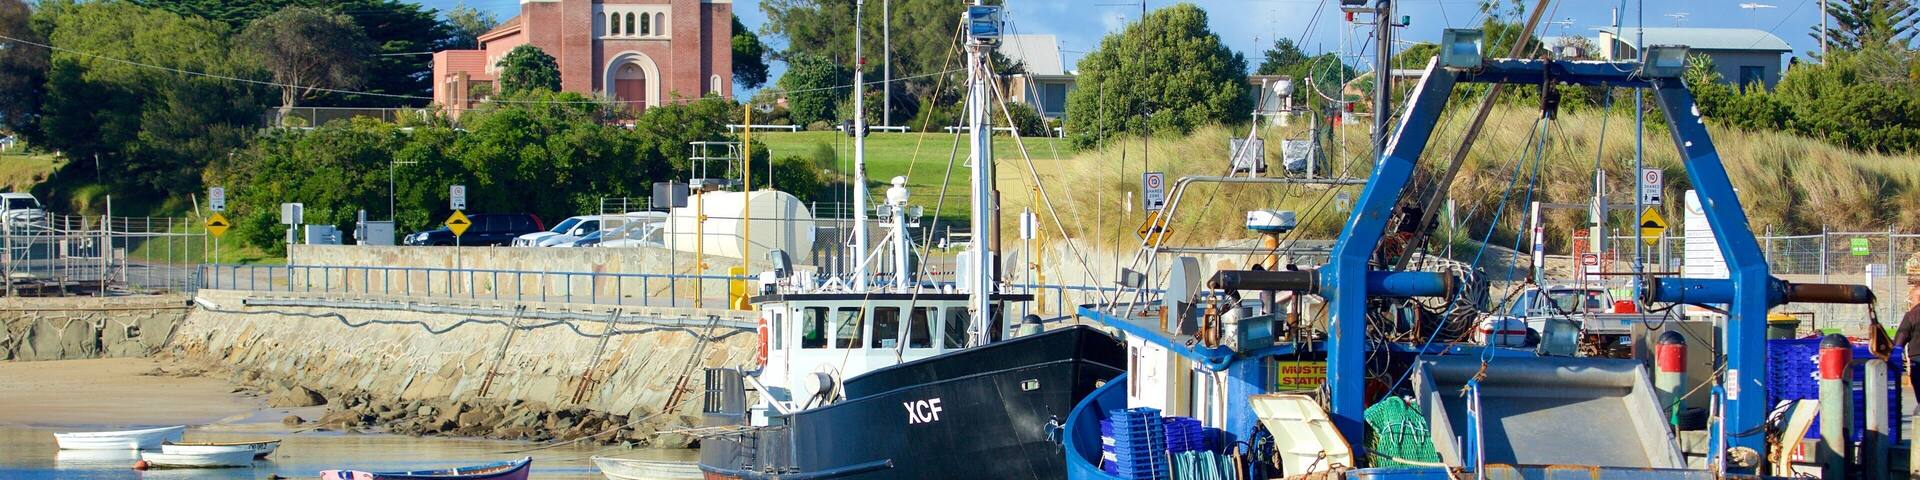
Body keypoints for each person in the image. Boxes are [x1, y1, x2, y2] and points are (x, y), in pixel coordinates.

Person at [1893, 282, 1920, 402]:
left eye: (1912, 298)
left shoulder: (1912, 315)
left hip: (1917, 360)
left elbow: (1899, 342)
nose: (1911, 302)